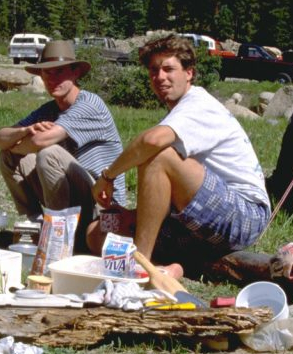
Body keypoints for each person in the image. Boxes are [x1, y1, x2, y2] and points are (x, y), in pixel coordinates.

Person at [89, 34, 271, 273]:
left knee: (157, 155)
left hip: (244, 215)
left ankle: (139, 267)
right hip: (199, 216)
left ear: (189, 73)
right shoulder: (177, 113)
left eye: (168, 69)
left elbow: (152, 141)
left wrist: (108, 177)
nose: (160, 77)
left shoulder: (199, 104)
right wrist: (132, 215)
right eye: (154, 70)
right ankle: (173, 268)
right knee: (97, 232)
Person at [0, 40, 126, 253]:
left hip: (102, 204)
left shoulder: (89, 104)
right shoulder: (50, 109)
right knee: (7, 156)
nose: (52, 78)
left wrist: (22, 142)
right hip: (73, 193)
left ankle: (58, 236)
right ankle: (36, 225)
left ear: (75, 73)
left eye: (59, 72)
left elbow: (39, 142)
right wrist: (23, 131)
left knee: (49, 154)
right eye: (47, 73)